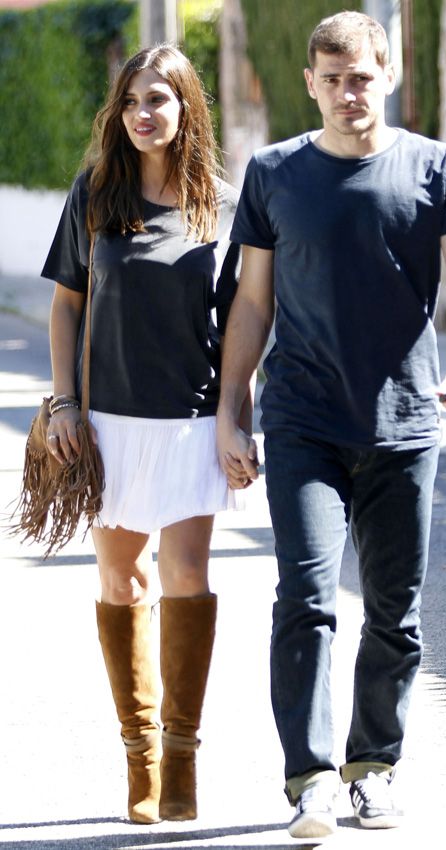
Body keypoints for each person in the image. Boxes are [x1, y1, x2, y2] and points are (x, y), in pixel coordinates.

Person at [216, 10, 446, 838]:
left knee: (392, 609)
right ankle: (309, 781)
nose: (348, 93)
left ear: (388, 76)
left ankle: (372, 765)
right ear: (310, 83)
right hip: (302, 419)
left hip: (406, 422)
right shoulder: (273, 173)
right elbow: (253, 301)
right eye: (332, 79)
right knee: (304, 598)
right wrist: (233, 414)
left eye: (361, 78)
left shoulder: (436, 166)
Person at [41, 44, 248, 824]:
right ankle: (142, 762)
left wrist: (235, 418)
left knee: (185, 576)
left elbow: (241, 325)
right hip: (107, 422)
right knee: (120, 582)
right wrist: (64, 405)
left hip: (192, 423)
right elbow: (67, 304)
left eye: (158, 99)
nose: (142, 114)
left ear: (186, 106)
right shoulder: (95, 193)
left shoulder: (222, 207)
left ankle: (183, 758)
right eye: (131, 102)